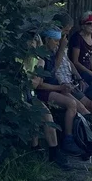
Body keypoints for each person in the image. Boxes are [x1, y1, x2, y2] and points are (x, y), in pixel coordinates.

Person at [24, 34, 72, 171]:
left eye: (34, 42)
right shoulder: (18, 59)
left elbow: (34, 84)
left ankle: (54, 152)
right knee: (34, 112)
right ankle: (34, 147)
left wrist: (39, 64)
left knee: (47, 115)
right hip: (17, 96)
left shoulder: (39, 61)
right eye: (29, 42)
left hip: (30, 95)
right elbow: (33, 83)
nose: (31, 45)